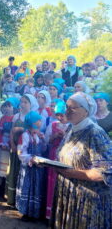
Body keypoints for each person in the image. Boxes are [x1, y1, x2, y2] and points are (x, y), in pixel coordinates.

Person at [51, 92, 112, 229]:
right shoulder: (71, 129)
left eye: (73, 108)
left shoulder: (95, 133)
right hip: (70, 194)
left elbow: (105, 172)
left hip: (88, 200)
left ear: (85, 111)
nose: (67, 111)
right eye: (67, 106)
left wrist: (71, 173)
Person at [6, 94, 39, 206]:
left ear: (31, 104)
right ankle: (11, 198)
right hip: (16, 148)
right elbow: (11, 131)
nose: (23, 104)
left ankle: (21, 200)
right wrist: (12, 145)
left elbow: (36, 132)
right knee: (14, 172)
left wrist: (23, 129)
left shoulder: (33, 116)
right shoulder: (16, 116)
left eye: (26, 102)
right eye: (22, 102)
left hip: (26, 151)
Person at [16, 111, 47, 222]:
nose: (40, 121)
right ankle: (26, 212)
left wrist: (43, 139)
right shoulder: (24, 136)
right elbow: (20, 153)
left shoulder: (38, 134)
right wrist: (30, 158)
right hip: (29, 168)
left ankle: (34, 212)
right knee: (27, 188)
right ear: (33, 122)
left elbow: (43, 149)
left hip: (37, 169)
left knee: (36, 189)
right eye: (38, 120)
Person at [44, 100, 69, 220]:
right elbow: (47, 140)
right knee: (52, 181)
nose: (60, 117)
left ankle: (62, 214)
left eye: (62, 115)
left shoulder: (72, 126)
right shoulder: (53, 124)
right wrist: (54, 137)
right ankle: (50, 213)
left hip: (66, 158)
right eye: (58, 115)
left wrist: (65, 136)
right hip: (54, 155)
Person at [0, 100, 14, 195]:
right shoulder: (2, 118)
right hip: (3, 143)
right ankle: (0, 187)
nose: (7, 108)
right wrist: (1, 143)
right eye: (5, 106)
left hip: (10, 144)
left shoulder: (15, 118)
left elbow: (14, 134)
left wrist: (10, 145)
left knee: (8, 167)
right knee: (1, 166)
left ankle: (6, 188)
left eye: (9, 106)